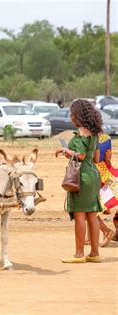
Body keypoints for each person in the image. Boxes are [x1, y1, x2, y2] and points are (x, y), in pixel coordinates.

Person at [55, 99, 103, 263]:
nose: (70, 117)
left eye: (72, 114)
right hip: (94, 174)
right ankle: (95, 253)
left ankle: (79, 254)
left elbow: (81, 156)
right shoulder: (95, 134)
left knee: (80, 215)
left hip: (82, 177)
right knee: (92, 215)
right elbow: (96, 159)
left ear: (78, 116)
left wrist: (65, 150)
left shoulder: (81, 134)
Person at [94, 133, 118, 246]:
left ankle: (106, 232)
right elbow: (107, 159)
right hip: (105, 171)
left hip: (97, 173)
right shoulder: (106, 138)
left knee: (90, 208)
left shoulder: (85, 137)